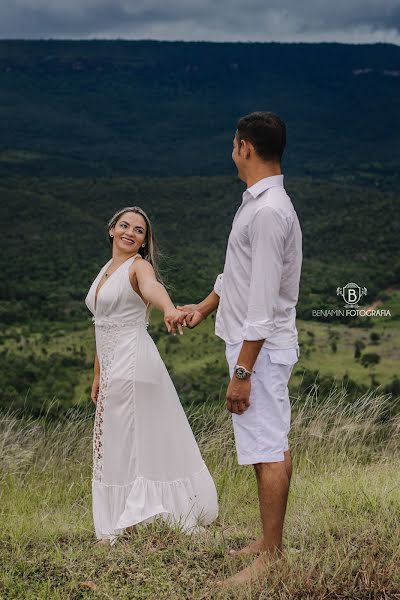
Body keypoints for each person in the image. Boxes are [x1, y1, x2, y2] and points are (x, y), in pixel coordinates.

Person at [177, 111, 302, 586]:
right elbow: (238, 275)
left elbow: (264, 300)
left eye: (234, 143)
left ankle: (271, 557)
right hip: (254, 347)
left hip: (261, 352)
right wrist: (206, 307)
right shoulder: (256, 203)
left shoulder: (269, 211)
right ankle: (268, 543)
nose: (232, 150)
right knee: (263, 442)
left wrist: (243, 373)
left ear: (244, 146)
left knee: (269, 447)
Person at [84, 206, 218, 547]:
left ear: (144, 241)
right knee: (121, 442)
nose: (131, 232)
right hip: (114, 369)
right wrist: (98, 374)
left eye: (139, 230)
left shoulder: (139, 267)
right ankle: (124, 517)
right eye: (125, 225)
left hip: (134, 365)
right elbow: (104, 326)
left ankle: (132, 516)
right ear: (111, 229)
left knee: (132, 443)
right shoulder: (104, 272)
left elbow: (152, 287)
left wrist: (170, 308)